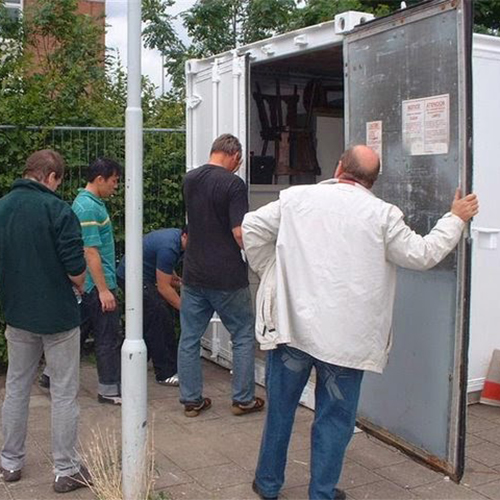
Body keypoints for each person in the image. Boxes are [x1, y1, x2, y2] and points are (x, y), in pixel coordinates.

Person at [242, 145, 479, 500]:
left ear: (339, 167)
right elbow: (422, 253)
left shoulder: (296, 199)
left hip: (292, 331)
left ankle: (269, 484)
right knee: (334, 421)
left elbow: (252, 228)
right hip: (346, 341)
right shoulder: (383, 215)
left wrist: (272, 273)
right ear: (372, 181)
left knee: (280, 411)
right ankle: (321, 493)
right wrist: (455, 218)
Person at [0, 150, 91, 493]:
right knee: (65, 393)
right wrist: (79, 283)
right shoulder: (58, 210)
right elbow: (76, 270)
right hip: (58, 317)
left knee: (16, 389)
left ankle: (10, 464)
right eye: (58, 180)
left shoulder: (3, 207)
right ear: (51, 176)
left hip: (18, 313)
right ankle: (66, 470)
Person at [178, 133, 264, 417]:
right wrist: (258, 260)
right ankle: (243, 399)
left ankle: (191, 400)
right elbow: (239, 232)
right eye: (238, 161)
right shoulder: (233, 184)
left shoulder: (189, 179)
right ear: (235, 156)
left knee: (189, 337)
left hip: (193, 273)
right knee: (241, 334)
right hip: (227, 275)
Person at [72, 157, 122, 405]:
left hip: (90, 284)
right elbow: (90, 250)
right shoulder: (89, 208)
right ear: (100, 179)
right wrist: (104, 290)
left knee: (79, 331)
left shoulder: (89, 203)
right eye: (114, 181)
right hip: (96, 284)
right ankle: (109, 389)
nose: (116, 186)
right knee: (107, 338)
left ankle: (50, 376)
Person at [116, 227, 188, 386]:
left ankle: (131, 363)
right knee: (158, 318)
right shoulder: (169, 247)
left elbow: (166, 271)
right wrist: (186, 310)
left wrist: (178, 280)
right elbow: (164, 288)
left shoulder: (176, 240)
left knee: (150, 319)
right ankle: (165, 373)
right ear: (184, 236)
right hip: (132, 277)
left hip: (135, 275)